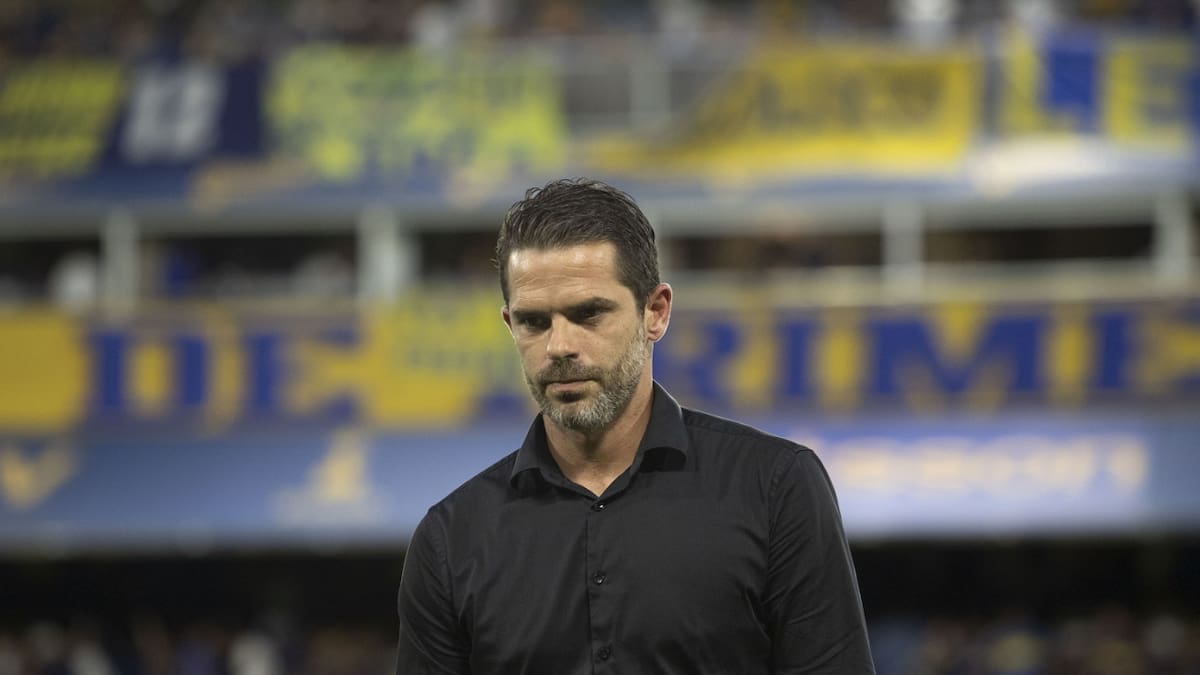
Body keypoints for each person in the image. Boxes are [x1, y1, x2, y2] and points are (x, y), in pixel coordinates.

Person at [395, 178, 875, 674]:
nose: (559, 346)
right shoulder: (450, 539)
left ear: (656, 312)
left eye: (589, 314)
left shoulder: (776, 488)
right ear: (509, 324)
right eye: (534, 322)